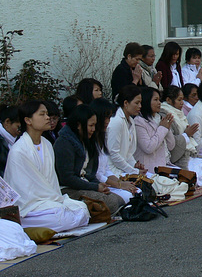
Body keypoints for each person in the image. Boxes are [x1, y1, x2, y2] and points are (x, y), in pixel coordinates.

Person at [4, 101, 90, 231]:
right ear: (28, 120)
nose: (47, 118)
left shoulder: (47, 144)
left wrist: (55, 200)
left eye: (47, 114)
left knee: (82, 209)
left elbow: (51, 180)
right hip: (30, 206)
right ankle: (25, 224)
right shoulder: (19, 151)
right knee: (61, 216)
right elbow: (25, 190)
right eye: (42, 114)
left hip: (50, 202)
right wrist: (53, 202)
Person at [53, 104, 124, 214]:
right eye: (91, 126)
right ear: (78, 125)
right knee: (112, 202)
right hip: (68, 189)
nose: (93, 129)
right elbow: (67, 178)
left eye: (94, 125)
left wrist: (98, 185)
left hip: (84, 184)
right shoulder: (64, 143)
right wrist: (95, 187)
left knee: (119, 200)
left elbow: (89, 172)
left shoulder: (84, 140)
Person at [160, 86, 202, 186]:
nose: (182, 103)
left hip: (191, 153)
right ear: (168, 100)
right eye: (179, 100)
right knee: (200, 178)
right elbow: (171, 144)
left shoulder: (180, 114)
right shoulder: (166, 115)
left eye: (182, 99)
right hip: (179, 158)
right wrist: (186, 135)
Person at [89, 98, 137, 203]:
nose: (108, 121)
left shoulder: (101, 138)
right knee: (129, 197)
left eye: (109, 117)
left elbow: (106, 169)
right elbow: (96, 174)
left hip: (108, 180)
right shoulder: (90, 141)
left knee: (137, 192)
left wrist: (121, 183)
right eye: (105, 117)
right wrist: (119, 184)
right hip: (97, 184)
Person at [134, 87, 178, 173]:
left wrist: (167, 128)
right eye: (155, 100)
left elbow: (171, 146)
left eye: (159, 100)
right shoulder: (139, 122)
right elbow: (148, 148)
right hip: (148, 169)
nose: (159, 103)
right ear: (146, 101)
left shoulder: (160, 119)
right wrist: (162, 128)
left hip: (164, 164)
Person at [106, 84, 146, 176]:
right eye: (136, 103)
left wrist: (134, 165)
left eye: (140, 103)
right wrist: (133, 171)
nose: (140, 106)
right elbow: (113, 154)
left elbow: (128, 153)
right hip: (112, 171)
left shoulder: (131, 121)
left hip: (124, 170)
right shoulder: (116, 121)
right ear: (126, 103)